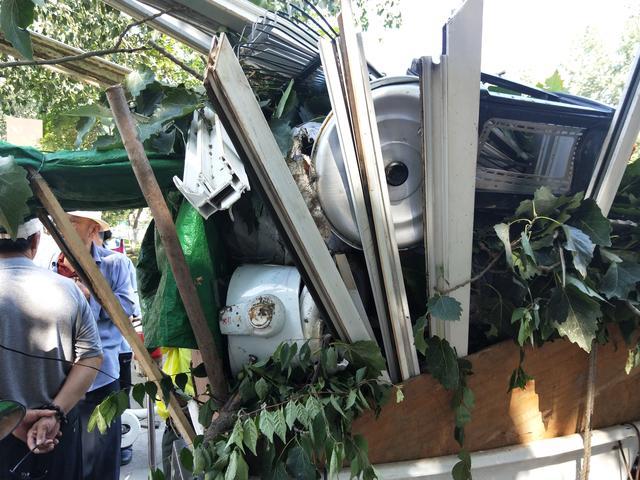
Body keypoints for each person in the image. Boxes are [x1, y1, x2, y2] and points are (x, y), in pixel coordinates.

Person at [0, 218, 103, 480]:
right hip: (56, 432)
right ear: (35, 241)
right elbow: (91, 357)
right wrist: (55, 413)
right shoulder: (69, 290)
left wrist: (11, 419)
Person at [53, 211, 137, 480]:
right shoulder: (49, 266)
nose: (62, 226)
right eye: (59, 220)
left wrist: (90, 296)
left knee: (100, 460)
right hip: (57, 378)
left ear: (92, 230)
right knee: (63, 460)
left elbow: (127, 308)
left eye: (73, 222)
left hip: (100, 377)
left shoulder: (115, 264)